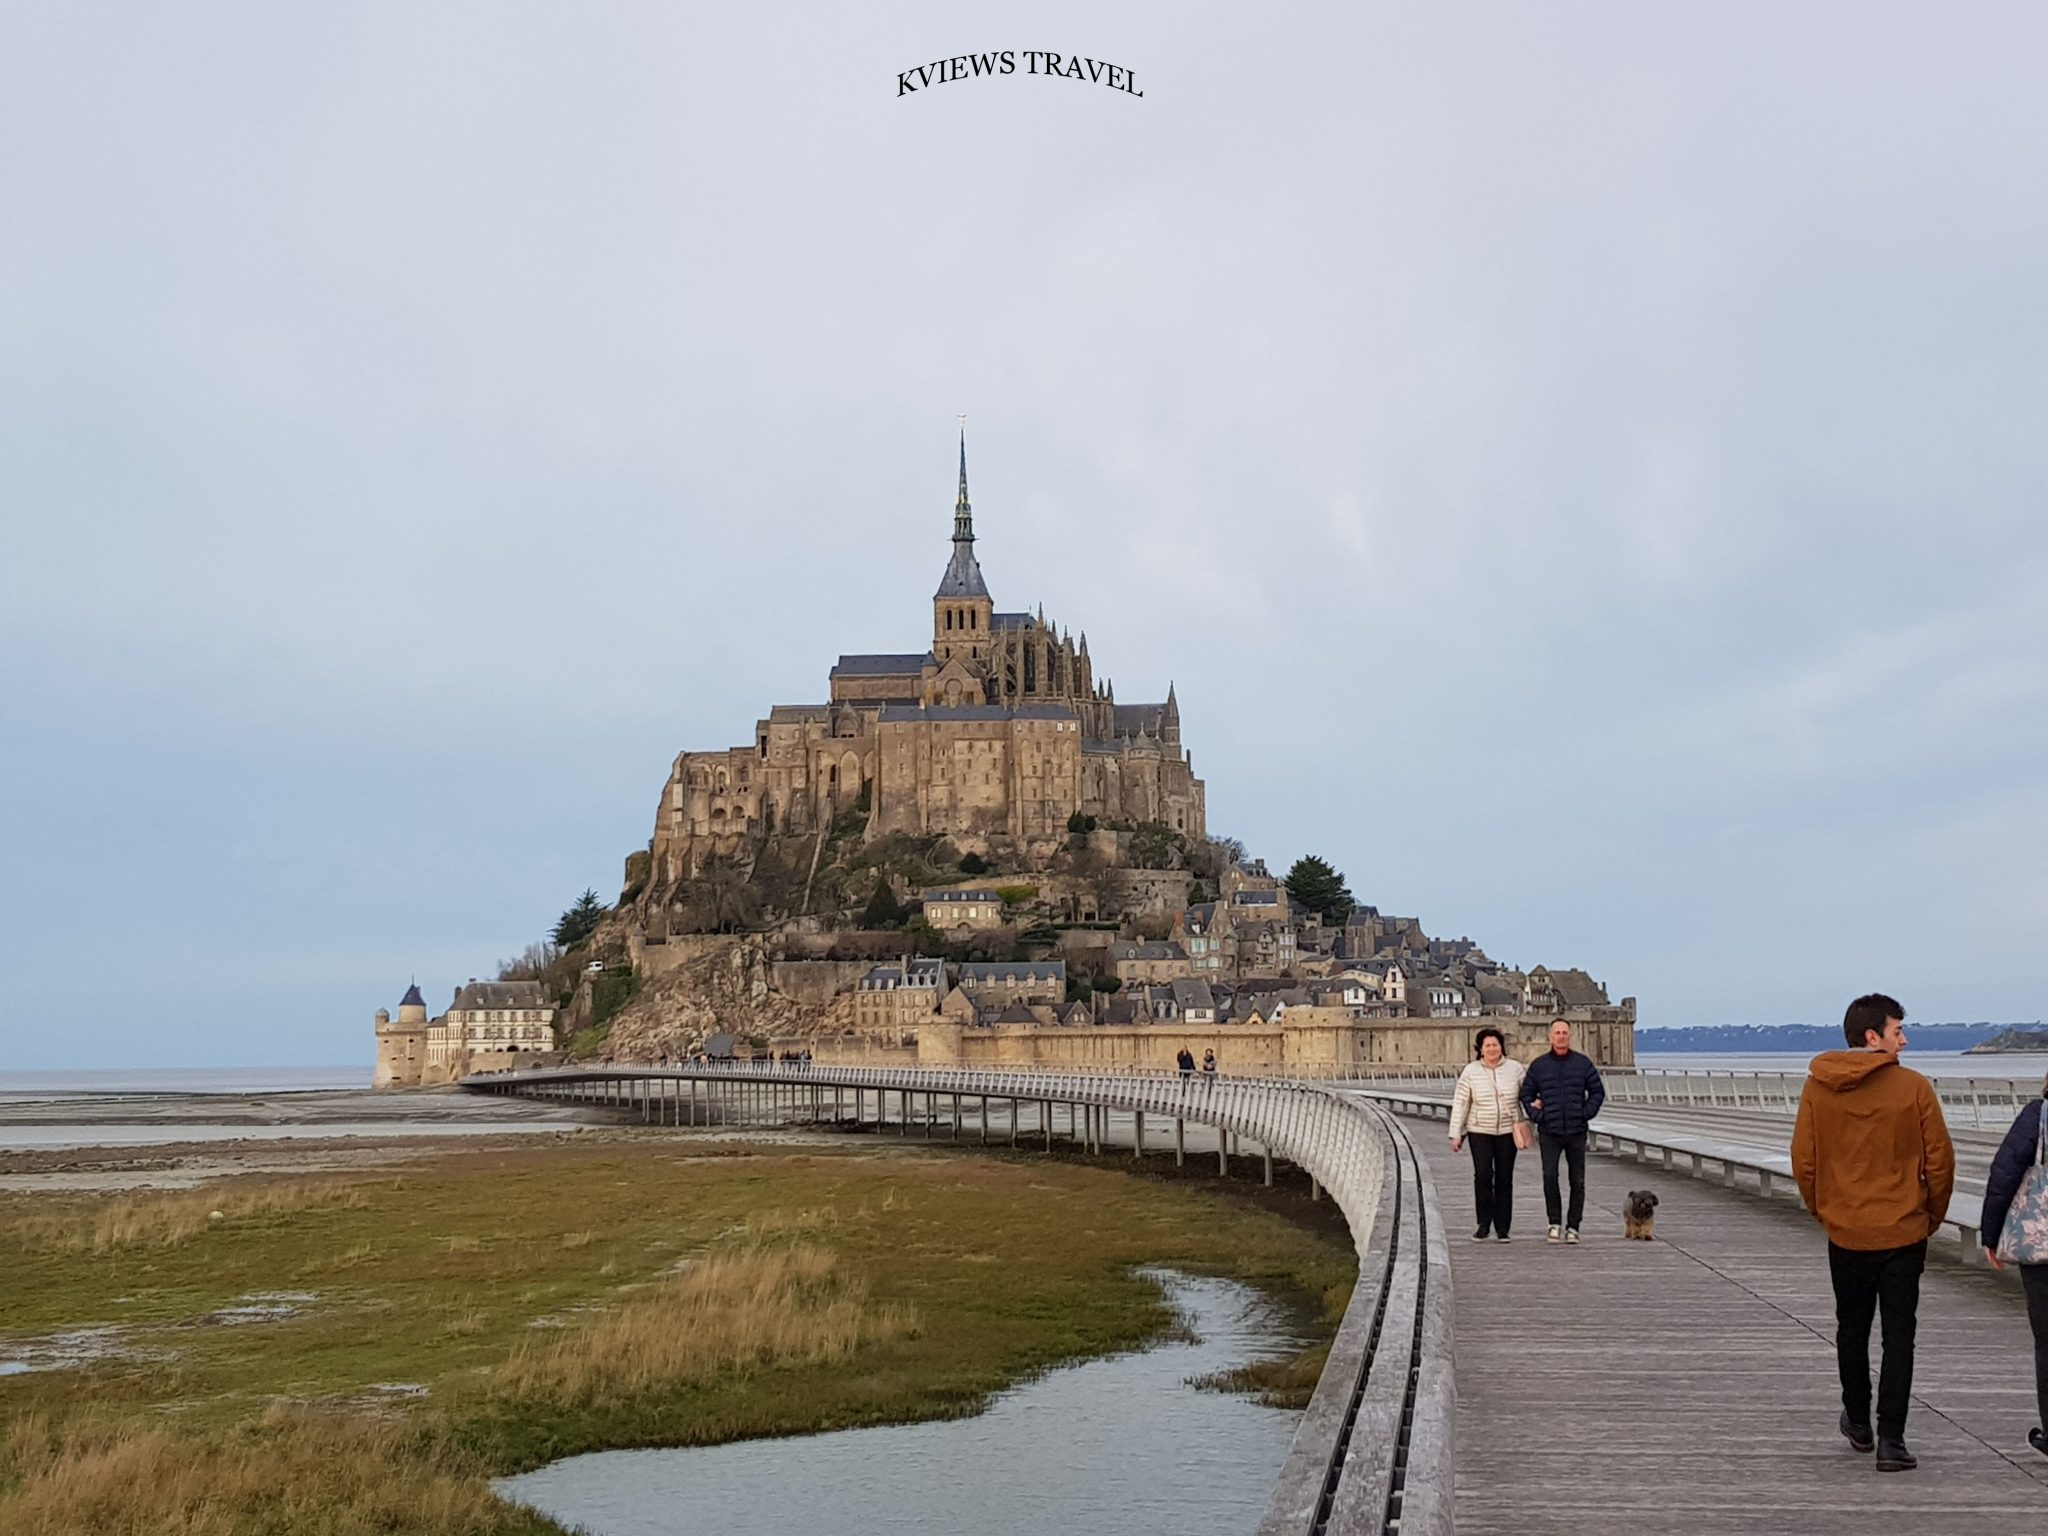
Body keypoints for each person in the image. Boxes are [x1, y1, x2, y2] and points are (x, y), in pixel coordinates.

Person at [1791, 993, 1954, 1473]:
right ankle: (1892, 1441)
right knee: (1899, 1336)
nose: (1904, 1040)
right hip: (1904, 1231)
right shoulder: (1914, 1088)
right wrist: (1930, 1216)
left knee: (1852, 1328)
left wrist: (1825, 1210)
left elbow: (1804, 1160)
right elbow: (1940, 1161)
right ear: (1872, 1036)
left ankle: (1858, 1422)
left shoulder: (1818, 1087)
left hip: (1846, 1231)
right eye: (1897, 1031)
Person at [1981, 1071, 2048, 1460]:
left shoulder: (2037, 1116)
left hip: (2041, 1245)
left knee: (2047, 1339)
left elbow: (2004, 1173)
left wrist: (1990, 1234)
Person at [1518, 1018, 1604, 1245]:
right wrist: (1538, 1116)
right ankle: (1554, 1223)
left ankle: (1573, 1226)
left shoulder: (1582, 1064)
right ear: (1550, 1036)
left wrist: (1585, 1113)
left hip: (1576, 1130)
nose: (1561, 1036)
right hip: (1550, 1131)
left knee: (1577, 1180)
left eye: (1564, 1032)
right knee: (1549, 1177)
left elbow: (1597, 1092)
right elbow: (1526, 1094)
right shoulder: (1539, 1066)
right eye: (1557, 1033)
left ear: (1570, 1035)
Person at [1449, 1026, 1526, 1242]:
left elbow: (1527, 1095)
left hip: (1508, 1130)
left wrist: (1537, 1110)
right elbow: (1461, 1103)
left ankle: (1503, 1227)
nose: (1492, 1049)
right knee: (1482, 1175)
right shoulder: (1471, 1071)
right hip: (1479, 1129)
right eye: (1488, 1045)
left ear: (1501, 1047)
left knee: (1504, 1177)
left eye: (1495, 1045)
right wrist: (1456, 1133)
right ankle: (1483, 1224)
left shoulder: (1515, 1069)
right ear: (1480, 1049)